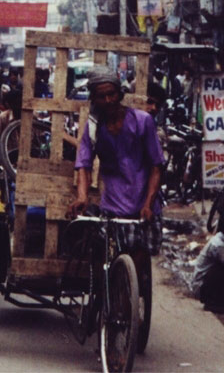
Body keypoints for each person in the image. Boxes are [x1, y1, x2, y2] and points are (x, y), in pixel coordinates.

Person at [70, 65, 164, 284]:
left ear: (120, 94)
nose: (109, 100)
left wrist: (149, 203)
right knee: (105, 266)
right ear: (94, 99)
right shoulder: (94, 128)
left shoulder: (142, 121)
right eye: (102, 96)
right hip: (113, 206)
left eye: (112, 94)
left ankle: (128, 301)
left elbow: (157, 166)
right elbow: (83, 164)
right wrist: (82, 197)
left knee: (136, 268)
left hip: (143, 205)